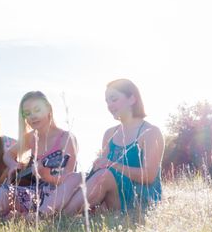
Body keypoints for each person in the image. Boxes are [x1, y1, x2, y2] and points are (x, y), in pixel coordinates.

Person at [39, 79, 163, 216]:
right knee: (76, 177)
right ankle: (42, 214)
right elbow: (101, 170)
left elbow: (149, 176)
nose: (109, 105)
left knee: (104, 176)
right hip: (113, 195)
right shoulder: (110, 133)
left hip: (139, 197)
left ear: (132, 99)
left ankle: (61, 219)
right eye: (107, 102)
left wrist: (111, 165)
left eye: (114, 99)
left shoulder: (151, 132)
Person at [0, 91, 78, 220]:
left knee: (3, 194)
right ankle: (13, 217)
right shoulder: (31, 137)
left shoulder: (66, 138)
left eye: (37, 110)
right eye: (27, 113)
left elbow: (69, 178)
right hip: (30, 191)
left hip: (53, 196)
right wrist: (13, 165)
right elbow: (8, 154)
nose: (32, 116)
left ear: (48, 108)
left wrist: (46, 175)